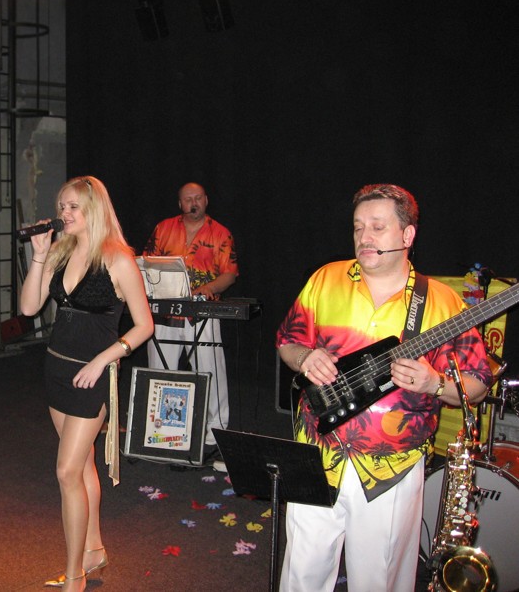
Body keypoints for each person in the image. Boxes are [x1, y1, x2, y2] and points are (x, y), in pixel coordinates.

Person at [275, 184, 493, 591]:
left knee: (379, 579)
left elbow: (478, 385)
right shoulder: (326, 279)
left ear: (407, 235)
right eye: (358, 227)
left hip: (391, 469)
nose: (364, 237)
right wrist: (305, 358)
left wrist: (435, 383)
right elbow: (287, 341)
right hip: (316, 453)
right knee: (301, 573)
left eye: (377, 227)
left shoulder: (443, 302)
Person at [20, 176, 153, 591]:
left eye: (73, 206)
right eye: (62, 206)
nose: (64, 213)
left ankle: (75, 575)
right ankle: (94, 550)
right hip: (57, 370)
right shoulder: (60, 251)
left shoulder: (117, 259)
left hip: (92, 376)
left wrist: (104, 359)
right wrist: (38, 255)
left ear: (94, 209)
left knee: (66, 472)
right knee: (83, 465)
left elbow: (145, 325)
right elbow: (28, 308)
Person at [142, 182, 238, 449]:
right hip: (165, 309)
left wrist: (208, 288)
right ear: (180, 203)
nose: (193, 203)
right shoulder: (163, 228)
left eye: (198, 198)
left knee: (210, 370)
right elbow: (147, 262)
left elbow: (229, 274)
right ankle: (160, 428)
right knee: (160, 369)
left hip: (202, 311)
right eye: (188, 199)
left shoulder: (221, 233)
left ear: (206, 200)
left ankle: (216, 429)